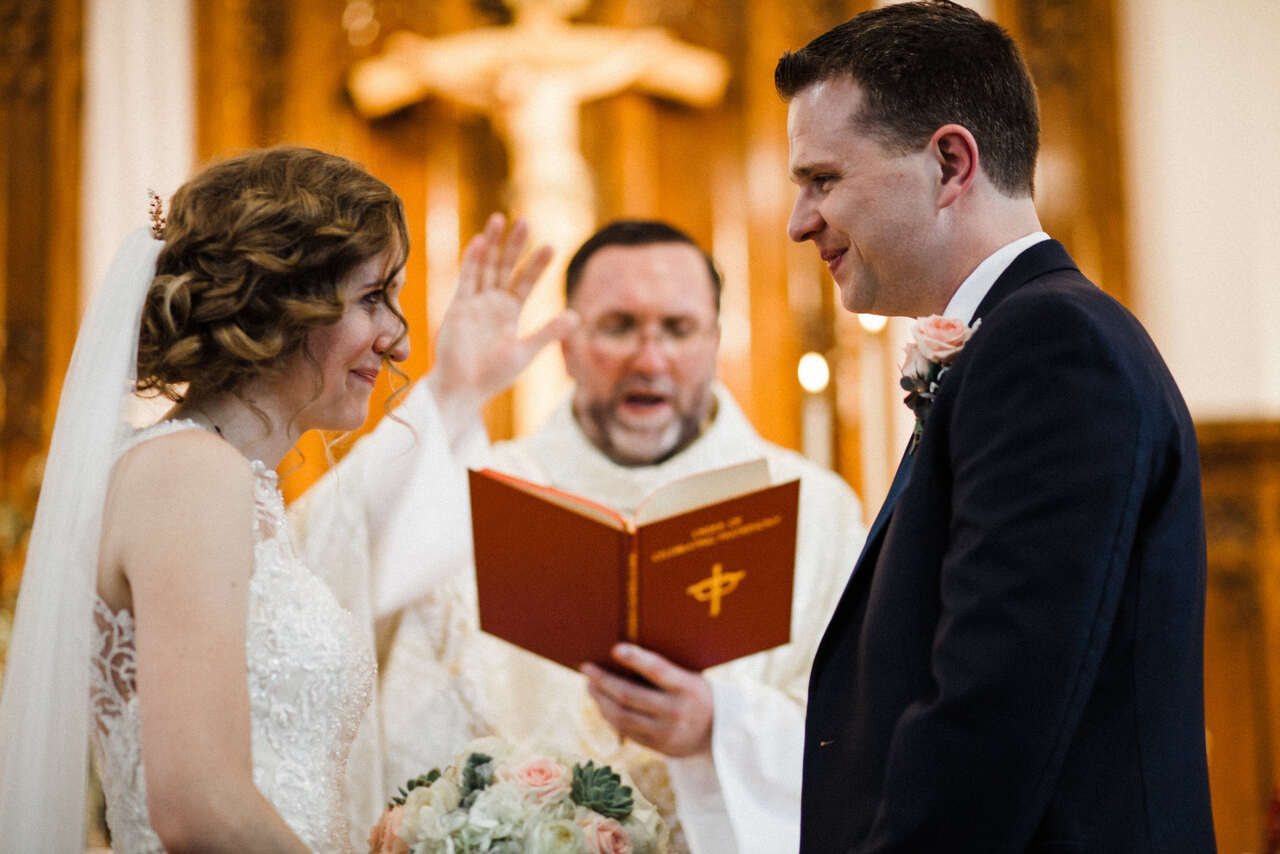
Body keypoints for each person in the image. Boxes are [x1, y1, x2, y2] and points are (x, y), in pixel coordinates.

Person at [775, 3, 1216, 852]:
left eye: (822, 179)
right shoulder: (1028, 338)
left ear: (949, 162)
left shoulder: (1052, 348)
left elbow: (991, 712)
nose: (799, 220)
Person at [293, 218, 866, 854]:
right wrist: (452, 395)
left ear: (715, 341)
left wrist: (720, 727)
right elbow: (309, 575)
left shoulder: (813, 510)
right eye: (617, 327)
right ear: (565, 344)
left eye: (678, 329)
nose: (649, 360)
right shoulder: (476, 490)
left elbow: (868, 729)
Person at [0, 146, 448, 853]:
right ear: (277, 305)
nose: (396, 337)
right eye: (371, 297)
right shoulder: (191, 472)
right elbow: (200, 805)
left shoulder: (215, 475)